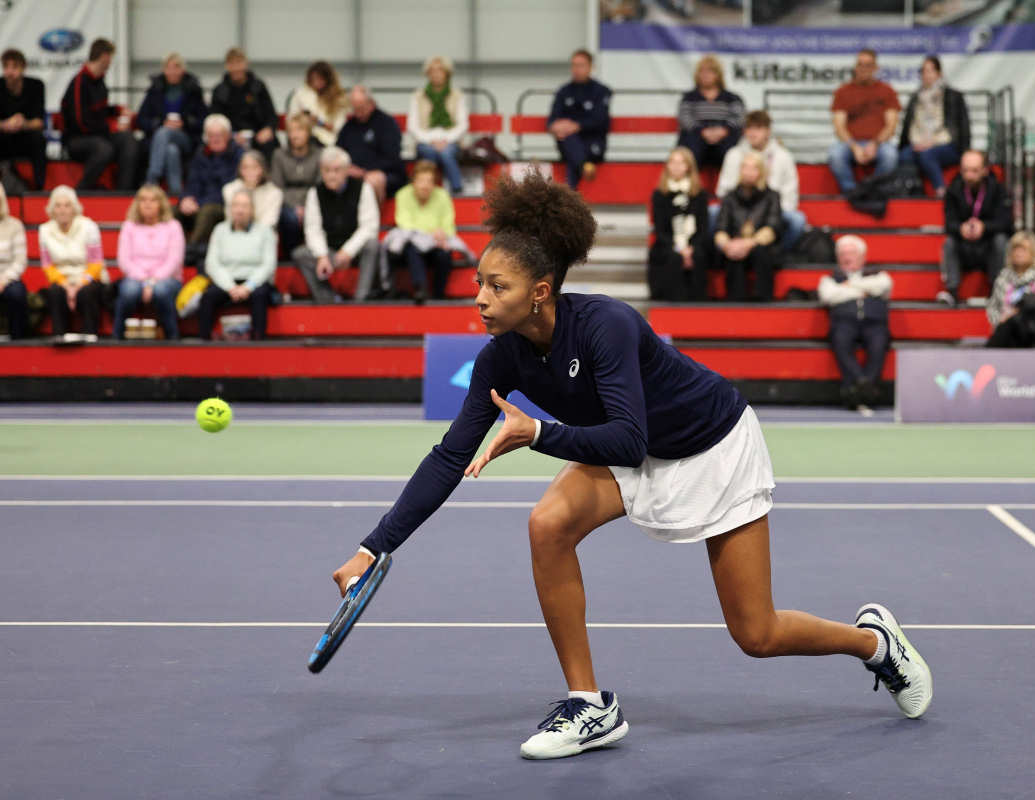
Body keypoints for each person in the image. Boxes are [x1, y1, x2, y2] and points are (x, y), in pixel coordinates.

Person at [330, 170, 932, 761]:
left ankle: (874, 644)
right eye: (479, 283)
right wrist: (373, 547)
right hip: (636, 448)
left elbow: (623, 438)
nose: (480, 299)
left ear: (540, 289)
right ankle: (588, 704)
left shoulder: (605, 325)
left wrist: (537, 432)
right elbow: (448, 458)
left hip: (713, 444)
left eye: (496, 286)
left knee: (758, 634)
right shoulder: (499, 361)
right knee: (547, 525)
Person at [293, 146, 380, 303]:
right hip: (330, 251)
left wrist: (348, 251)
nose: (331, 175)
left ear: (347, 170)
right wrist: (322, 255)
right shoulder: (315, 193)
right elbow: (313, 229)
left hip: (356, 250)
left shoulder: (363, 188)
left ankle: (361, 300)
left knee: (373, 245)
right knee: (301, 254)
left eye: (336, 170)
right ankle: (328, 300)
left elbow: (369, 227)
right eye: (327, 170)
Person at [817, 235, 892, 409]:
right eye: (842, 253)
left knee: (879, 342)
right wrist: (864, 289)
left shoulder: (878, 274)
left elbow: (884, 285)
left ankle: (858, 389)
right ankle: (865, 385)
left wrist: (847, 288)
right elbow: (828, 295)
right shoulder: (829, 279)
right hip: (844, 322)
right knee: (840, 339)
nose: (846, 257)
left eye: (851, 252)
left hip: (874, 323)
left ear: (862, 256)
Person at [715, 110, 806, 253]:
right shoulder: (734, 154)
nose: (752, 133)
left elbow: (790, 194)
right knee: (713, 212)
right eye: (749, 128)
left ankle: (777, 253)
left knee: (796, 220)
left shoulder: (783, 156)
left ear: (768, 131)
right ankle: (726, 252)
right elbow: (723, 190)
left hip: (773, 210)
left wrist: (769, 213)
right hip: (737, 208)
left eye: (758, 128)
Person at [60, 38, 139, 191]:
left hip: (99, 135)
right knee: (103, 149)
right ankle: (82, 191)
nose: (110, 63)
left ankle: (123, 192)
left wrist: (117, 110)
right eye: (110, 58)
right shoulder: (79, 83)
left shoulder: (100, 82)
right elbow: (80, 122)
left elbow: (99, 111)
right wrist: (111, 127)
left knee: (129, 140)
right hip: (76, 139)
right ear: (104, 57)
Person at [198, 188, 276, 340]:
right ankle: (204, 342)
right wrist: (230, 287)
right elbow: (212, 263)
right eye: (236, 205)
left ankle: (259, 344)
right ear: (230, 208)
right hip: (227, 281)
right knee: (208, 297)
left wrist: (248, 287)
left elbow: (268, 265)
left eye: (245, 206)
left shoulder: (265, 231)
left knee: (260, 296)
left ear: (252, 209)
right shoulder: (220, 230)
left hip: (254, 281)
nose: (240, 210)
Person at [939, 149, 1012, 305]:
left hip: (988, 245)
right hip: (964, 245)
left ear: (985, 170)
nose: (969, 176)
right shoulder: (953, 190)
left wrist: (984, 227)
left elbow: (1006, 222)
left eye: (974, 171)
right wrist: (961, 228)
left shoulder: (998, 189)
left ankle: (997, 290)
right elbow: (948, 223)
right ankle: (952, 291)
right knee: (949, 243)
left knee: (1001, 240)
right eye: (965, 170)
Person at [114, 185, 184, 340]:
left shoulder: (173, 227)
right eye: (143, 200)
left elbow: (174, 260)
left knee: (161, 290)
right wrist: (145, 280)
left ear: (161, 204)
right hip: (136, 277)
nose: (148, 204)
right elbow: (124, 260)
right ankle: (117, 338)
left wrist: (152, 282)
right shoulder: (129, 226)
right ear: (137, 204)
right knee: (129, 291)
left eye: (153, 200)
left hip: (167, 278)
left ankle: (172, 337)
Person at [828, 49, 900, 195]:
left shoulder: (887, 91)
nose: (864, 69)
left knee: (890, 155)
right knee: (835, 154)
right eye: (861, 65)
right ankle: (852, 192)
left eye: (868, 65)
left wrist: (874, 144)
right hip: (851, 143)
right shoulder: (843, 91)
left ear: (875, 68)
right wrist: (854, 147)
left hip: (879, 143)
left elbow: (891, 125)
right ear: (855, 67)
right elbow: (839, 127)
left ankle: (872, 190)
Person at [38, 185, 107, 337]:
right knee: (55, 292)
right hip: (62, 278)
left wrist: (78, 285)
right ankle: (59, 336)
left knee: (87, 292)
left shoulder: (89, 226)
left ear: (75, 208)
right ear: (52, 209)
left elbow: (96, 263)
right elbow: (47, 265)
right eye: (58, 205)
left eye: (67, 205)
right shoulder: (44, 230)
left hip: (88, 277)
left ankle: (90, 335)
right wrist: (66, 285)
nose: (62, 210)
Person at [713, 152, 782, 302]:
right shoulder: (729, 197)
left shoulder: (772, 196)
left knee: (761, 252)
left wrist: (748, 243)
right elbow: (721, 227)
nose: (748, 172)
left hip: (760, 245)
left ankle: (762, 299)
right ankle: (735, 300)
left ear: (761, 172)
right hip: (734, 245)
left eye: (753, 168)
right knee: (733, 255)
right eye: (745, 168)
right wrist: (727, 245)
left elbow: (772, 227)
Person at [898, 55, 969, 198]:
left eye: (930, 70)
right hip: (919, 144)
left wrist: (931, 143)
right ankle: (913, 191)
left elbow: (960, 128)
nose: (926, 75)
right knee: (904, 155)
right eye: (923, 71)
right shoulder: (915, 98)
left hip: (947, 145)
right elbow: (912, 126)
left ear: (939, 73)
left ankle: (941, 191)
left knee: (927, 155)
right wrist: (917, 143)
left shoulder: (953, 96)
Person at [385, 160, 457, 302]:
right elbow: (405, 224)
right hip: (411, 244)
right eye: (421, 181)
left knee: (445, 253)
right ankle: (420, 289)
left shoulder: (442, 195)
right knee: (412, 247)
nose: (425, 185)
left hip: (436, 244)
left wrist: (442, 235)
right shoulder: (402, 195)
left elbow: (448, 225)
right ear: (414, 182)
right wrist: (432, 232)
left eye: (429, 181)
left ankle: (439, 294)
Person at [136, 52, 207, 196]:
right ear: (164, 70)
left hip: (186, 137)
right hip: (159, 140)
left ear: (183, 70)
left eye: (176, 67)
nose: (172, 71)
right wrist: (161, 123)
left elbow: (204, 120)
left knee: (164, 132)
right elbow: (141, 119)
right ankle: (175, 191)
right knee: (170, 150)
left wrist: (185, 123)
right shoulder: (154, 90)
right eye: (169, 67)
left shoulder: (194, 90)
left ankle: (152, 178)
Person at [648, 147, 710, 301]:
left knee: (699, 255)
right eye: (672, 162)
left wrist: (690, 249)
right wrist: (680, 249)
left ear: (689, 166)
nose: (676, 166)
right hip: (668, 244)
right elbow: (660, 230)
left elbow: (703, 228)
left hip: (693, 244)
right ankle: (672, 301)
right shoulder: (659, 195)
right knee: (673, 257)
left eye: (681, 162)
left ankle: (697, 301)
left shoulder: (700, 195)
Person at [985, 231, 1035, 348]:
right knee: (1007, 327)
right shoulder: (1003, 278)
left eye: (1023, 250)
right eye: (1015, 249)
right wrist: (1001, 319)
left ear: (1034, 253)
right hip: (1009, 331)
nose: (1018, 253)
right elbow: (993, 307)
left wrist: (1022, 312)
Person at [546, 49, 612, 189]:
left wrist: (576, 126)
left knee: (572, 158)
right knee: (569, 140)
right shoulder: (563, 92)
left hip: (593, 144)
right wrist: (558, 127)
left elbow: (600, 120)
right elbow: (551, 121)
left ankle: (570, 195)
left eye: (581, 65)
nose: (576, 69)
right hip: (568, 143)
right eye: (574, 65)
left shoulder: (601, 91)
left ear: (590, 67)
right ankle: (584, 166)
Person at [178, 114, 244, 251]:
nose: (215, 139)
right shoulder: (200, 154)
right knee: (172, 211)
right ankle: (176, 249)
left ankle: (190, 250)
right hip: (200, 203)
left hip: (223, 205)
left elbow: (229, 189)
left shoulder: (238, 155)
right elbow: (191, 182)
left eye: (219, 134)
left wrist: (199, 203)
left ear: (228, 135)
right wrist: (186, 199)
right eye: (211, 135)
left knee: (207, 211)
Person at [336, 86, 405, 205]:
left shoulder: (387, 123)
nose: (358, 113)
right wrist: (347, 167)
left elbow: (392, 158)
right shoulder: (349, 126)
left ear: (371, 103)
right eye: (355, 109)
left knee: (372, 180)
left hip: (385, 174)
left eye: (361, 108)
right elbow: (338, 151)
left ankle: (371, 220)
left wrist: (363, 171)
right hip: (352, 171)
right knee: (332, 176)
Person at [408, 56, 467, 195]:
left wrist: (446, 140)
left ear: (447, 73)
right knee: (429, 152)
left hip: (451, 141)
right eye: (432, 70)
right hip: (425, 141)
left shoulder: (457, 95)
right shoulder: (417, 96)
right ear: (427, 74)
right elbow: (412, 126)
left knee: (446, 153)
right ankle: (431, 190)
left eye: (440, 70)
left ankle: (456, 190)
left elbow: (463, 125)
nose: (436, 74)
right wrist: (431, 141)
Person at [209, 48, 279, 163]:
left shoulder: (258, 87)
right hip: (230, 138)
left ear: (246, 64)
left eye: (239, 63)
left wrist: (268, 129)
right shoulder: (219, 91)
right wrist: (230, 136)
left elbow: (271, 115)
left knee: (270, 145)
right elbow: (215, 120)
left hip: (258, 135)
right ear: (227, 66)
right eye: (232, 63)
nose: (236, 68)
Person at [677, 54, 745, 170]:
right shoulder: (689, 97)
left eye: (710, 72)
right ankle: (690, 186)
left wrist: (724, 130)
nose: (706, 75)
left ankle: (731, 186)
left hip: (724, 138)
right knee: (690, 144)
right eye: (702, 72)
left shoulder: (732, 98)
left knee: (733, 150)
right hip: (697, 138)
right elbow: (685, 118)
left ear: (718, 75)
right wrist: (702, 131)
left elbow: (738, 118)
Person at [271, 112, 322, 255]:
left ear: (308, 132)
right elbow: (277, 187)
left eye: (299, 130)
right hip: (287, 204)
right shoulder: (279, 155)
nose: (294, 135)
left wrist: (306, 206)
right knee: (288, 217)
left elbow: (319, 186)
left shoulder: (319, 155)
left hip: (313, 202)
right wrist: (295, 207)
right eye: (291, 131)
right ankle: (290, 256)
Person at [0, 49, 46, 190]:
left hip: (26, 137)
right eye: (6, 67)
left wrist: (23, 123)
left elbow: (39, 122)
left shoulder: (36, 86)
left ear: (23, 68)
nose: (10, 72)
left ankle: (39, 189)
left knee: (39, 139)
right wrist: (5, 125)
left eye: (14, 67)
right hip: (4, 137)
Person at [287, 60, 348, 147]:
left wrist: (318, 122)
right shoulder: (301, 94)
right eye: (313, 79)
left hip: (328, 141)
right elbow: (291, 118)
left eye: (319, 79)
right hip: (304, 138)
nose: (316, 83)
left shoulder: (338, 99)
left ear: (328, 79)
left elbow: (338, 128)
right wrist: (303, 119)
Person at [222, 150, 282, 229]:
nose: (250, 171)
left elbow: (269, 223)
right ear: (239, 170)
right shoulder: (229, 190)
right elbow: (231, 220)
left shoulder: (274, 193)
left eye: (255, 167)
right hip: (237, 233)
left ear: (262, 169)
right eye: (245, 167)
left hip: (263, 235)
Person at [0, 184, 28, 338]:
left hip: (9, 278)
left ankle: (18, 339)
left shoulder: (15, 225)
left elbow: (20, 261)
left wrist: (3, 280)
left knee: (17, 293)